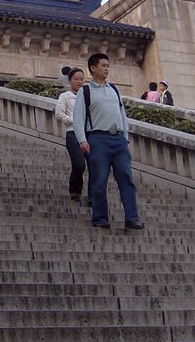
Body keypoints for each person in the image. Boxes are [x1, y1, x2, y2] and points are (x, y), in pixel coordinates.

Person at [72, 53, 144, 230]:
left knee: (126, 179)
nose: (106, 69)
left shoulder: (114, 89)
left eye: (108, 66)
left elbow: (122, 114)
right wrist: (82, 139)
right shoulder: (85, 91)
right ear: (93, 68)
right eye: (103, 65)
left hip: (118, 139)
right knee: (99, 180)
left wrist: (125, 137)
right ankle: (100, 217)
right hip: (98, 139)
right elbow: (78, 117)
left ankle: (132, 218)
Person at [54, 68, 89, 204]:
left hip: (89, 134)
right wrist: (74, 121)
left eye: (82, 79)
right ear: (69, 81)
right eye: (76, 79)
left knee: (95, 166)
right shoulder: (65, 96)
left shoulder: (87, 96)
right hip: (73, 134)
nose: (79, 82)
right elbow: (59, 114)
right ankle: (75, 191)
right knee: (79, 165)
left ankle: (93, 197)